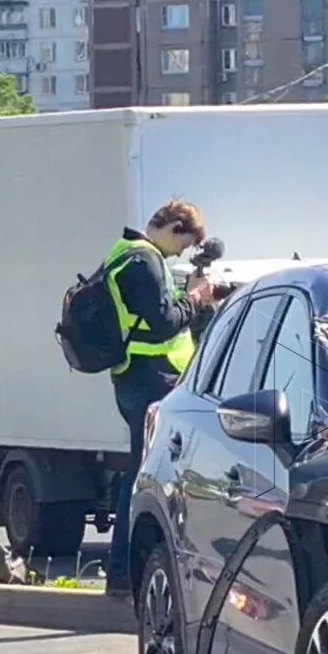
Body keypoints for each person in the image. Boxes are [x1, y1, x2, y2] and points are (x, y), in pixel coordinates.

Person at [105, 199, 213, 596]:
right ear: (175, 228)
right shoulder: (145, 262)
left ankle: (126, 573)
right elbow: (164, 321)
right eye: (184, 244)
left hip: (136, 379)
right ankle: (122, 574)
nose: (182, 252)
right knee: (143, 477)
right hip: (152, 380)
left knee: (143, 473)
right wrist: (196, 300)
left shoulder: (125, 253)